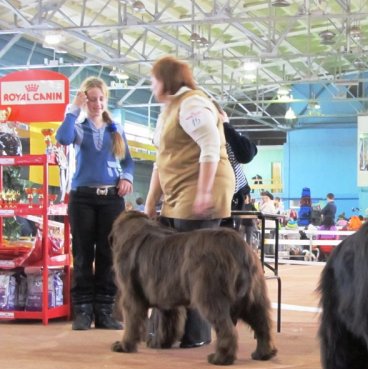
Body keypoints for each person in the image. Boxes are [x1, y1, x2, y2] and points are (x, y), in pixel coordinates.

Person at [144, 55, 234, 349]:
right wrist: (149, 202)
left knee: (195, 265)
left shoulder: (192, 104)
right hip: (179, 193)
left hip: (198, 192)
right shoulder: (169, 109)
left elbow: (210, 147)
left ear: (167, 80)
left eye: (154, 79)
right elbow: (162, 160)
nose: (151, 84)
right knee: (173, 263)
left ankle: (196, 333)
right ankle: (170, 331)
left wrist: (204, 192)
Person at [56, 76, 134, 330]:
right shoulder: (78, 127)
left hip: (112, 199)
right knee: (82, 254)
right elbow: (63, 138)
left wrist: (127, 178)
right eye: (91, 99)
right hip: (82, 198)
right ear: (84, 99)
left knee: (108, 254)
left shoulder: (116, 129)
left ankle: (104, 311)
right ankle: (82, 311)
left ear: (105, 100)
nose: (96, 103)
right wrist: (72, 109)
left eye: (100, 99)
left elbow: (129, 162)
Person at [211, 100, 257, 230]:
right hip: (214, 199)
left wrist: (225, 125)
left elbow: (246, 154)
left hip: (235, 200)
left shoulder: (230, 137)